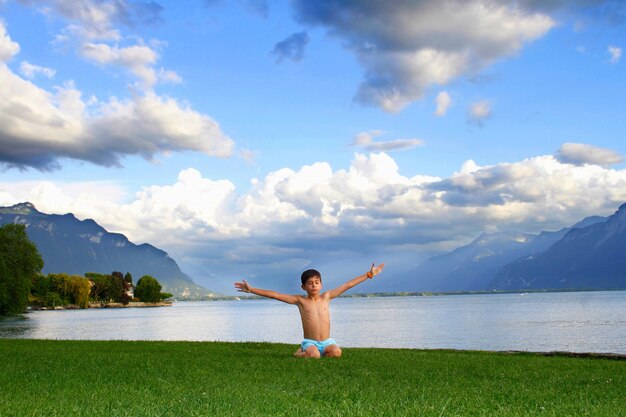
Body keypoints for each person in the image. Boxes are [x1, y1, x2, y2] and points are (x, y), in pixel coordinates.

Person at [234, 263, 385, 358]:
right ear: (303, 287)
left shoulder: (327, 297)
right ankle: (300, 352)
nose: (314, 285)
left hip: (326, 341)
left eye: (317, 282)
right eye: (310, 283)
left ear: (321, 284)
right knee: (313, 355)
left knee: (337, 352)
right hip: (310, 342)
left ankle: (321, 352)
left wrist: (369, 274)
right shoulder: (300, 301)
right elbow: (275, 295)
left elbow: (348, 285)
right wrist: (252, 289)